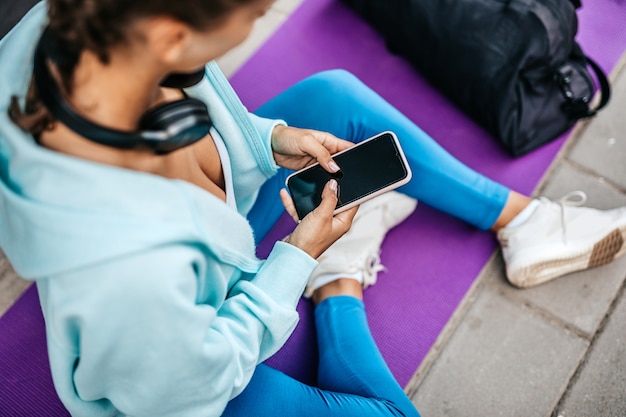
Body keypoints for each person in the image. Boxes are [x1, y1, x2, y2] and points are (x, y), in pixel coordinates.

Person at [1, 0, 625, 416]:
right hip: (186, 381)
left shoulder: (106, 34)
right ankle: (337, 282)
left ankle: (524, 222)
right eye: (256, 12)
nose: (262, 15)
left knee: (331, 97)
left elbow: (215, 124)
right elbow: (186, 387)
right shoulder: (128, 266)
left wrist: (272, 138)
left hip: (206, 263)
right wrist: (297, 259)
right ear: (173, 35)